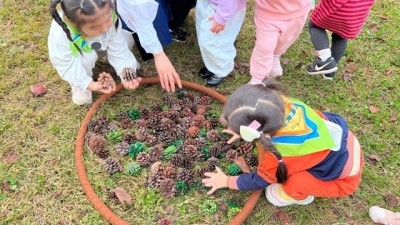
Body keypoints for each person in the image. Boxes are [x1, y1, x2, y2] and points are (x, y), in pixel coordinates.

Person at [202, 79, 364, 207]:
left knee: (289, 185)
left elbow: (261, 179)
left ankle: (299, 197)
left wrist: (226, 181)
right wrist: (239, 129)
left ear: (256, 132)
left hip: (343, 181)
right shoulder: (285, 105)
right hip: (347, 145)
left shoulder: (282, 153)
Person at [48, 0, 181, 105]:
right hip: (80, 54)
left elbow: (119, 47)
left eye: (107, 21)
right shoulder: (60, 34)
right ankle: (79, 84)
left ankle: (109, 59)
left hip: (104, 44)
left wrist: (126, 72)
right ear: (72, 22)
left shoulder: (106, 13)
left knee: (127, 39)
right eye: (95, 27)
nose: (105, 28)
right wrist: (90, 84)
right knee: (86, 58)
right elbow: (64, 63)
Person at [306, 0, 375, 80]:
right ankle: (329, 71)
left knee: (315, 26)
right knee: (341, 37)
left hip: (337, 10)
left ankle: (325, 59)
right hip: (356, 14)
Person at [248, 0, 311, 84]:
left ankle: (275, 57)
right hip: (268, 10)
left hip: (298, 10)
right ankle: (257, 79)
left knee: (286, 40)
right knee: (265, 46)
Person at [196, 0, 246, 87]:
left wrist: (222, 16)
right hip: (210, 3)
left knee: (214, 41)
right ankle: (212, 65)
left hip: (225, 8)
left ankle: (221, 69)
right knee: (203, 33)